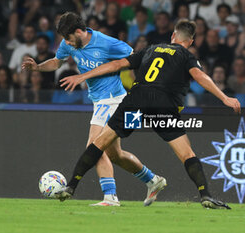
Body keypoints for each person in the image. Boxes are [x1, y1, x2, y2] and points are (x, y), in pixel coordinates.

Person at [58, 19, 241, 209]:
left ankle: (71, 186)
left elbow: (117, 65)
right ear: (191, 42)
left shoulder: (151, 49)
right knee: (186, 153)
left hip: (136, 103)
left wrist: (83, 76)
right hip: (162, 108)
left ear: (173, 36)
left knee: (99, 143)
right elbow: (199, 76)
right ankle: (205, 195)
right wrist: (224, 98)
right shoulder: (186, 55)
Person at [22, 12, 166, 207]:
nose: (66, 43)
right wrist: (38, 67)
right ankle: (153, 180)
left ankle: (110, 197)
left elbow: (136, 58)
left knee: (94, 147)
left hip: (114, 99)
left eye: (68, 38)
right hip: (99, 102)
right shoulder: (69, 43)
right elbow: (57, 61)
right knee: (115, 155)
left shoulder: (107, 43)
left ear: (79, 31)